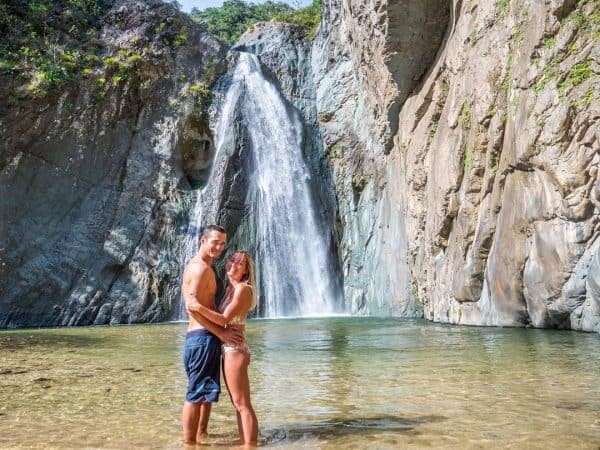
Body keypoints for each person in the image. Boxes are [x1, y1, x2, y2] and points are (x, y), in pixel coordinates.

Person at [181, 225, 243, 446]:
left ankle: (202, 437)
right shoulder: (200, 269)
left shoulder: (203, 266)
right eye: (214, 241)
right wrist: (221, 331)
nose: (218, 247)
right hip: (201, 338)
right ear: (202, 240)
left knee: (204, 393)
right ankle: (189, 443)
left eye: (222, 243)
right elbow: (191, 305)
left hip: (202, 338)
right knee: (196, 394)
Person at [194, 251, 259, 446]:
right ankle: (245, 442)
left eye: (240, 263)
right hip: (230, 349)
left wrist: (195, 306)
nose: (234, 264)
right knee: (238, 404)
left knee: (242, 404)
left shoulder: (242, 289)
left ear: (246, 271)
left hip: (235, 350)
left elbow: (223, 319)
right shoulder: (233, 289)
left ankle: (250, 445)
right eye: (232, 260)